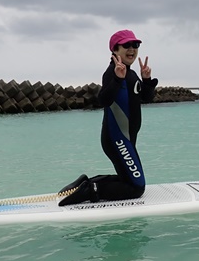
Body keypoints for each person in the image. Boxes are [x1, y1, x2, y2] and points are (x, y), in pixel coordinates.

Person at [58, 29, 158, 206]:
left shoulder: (131, 73)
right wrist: (117, 80)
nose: (132, 49)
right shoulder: (113, 72)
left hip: (126, 138)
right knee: (136, 187)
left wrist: (147, 80)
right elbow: (103, 99)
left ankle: (87, 183)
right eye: (126, 45)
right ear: (115, 49)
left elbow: (145, 98)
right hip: (117, 139)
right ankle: (91, 190)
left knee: (128, 179)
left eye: (135, 45)